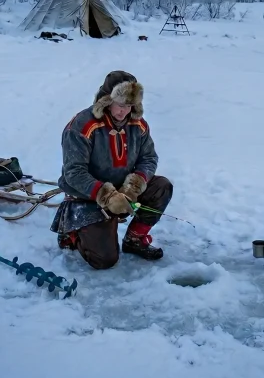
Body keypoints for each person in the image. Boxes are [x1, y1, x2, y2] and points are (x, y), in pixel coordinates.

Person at [50, 70, 174, 268]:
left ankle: (134, 239)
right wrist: (107, 195)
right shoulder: (82, 126)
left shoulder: (138, 125)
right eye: (120, 105)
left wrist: (132, 187)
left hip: (124, 191)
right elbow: (73, 173)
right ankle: (72, 233)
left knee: (161, 186)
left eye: (129, 106)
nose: (123, 112)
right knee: (104, 260)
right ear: (107, 101)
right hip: (88, 197)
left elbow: (148, 158)